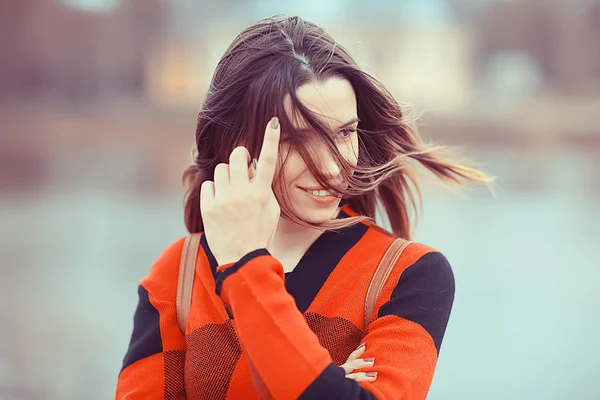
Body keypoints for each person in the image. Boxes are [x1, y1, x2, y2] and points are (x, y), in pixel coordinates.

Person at [116, 15, 491, 400]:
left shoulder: (409, 275)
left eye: (345, 132)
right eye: (297, 138)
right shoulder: (176, 275)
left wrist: (245, 265)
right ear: (235, 142)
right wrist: (321, 384)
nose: (331, 166)